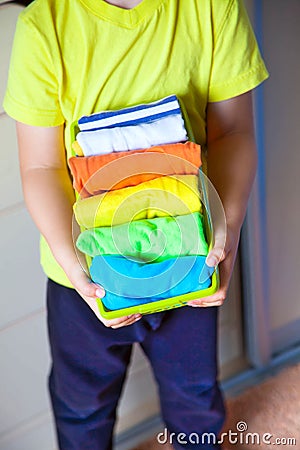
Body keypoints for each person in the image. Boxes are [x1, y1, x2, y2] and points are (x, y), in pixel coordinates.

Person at [3, 0, 268, 448]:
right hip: (84, 275)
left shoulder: (212, 8)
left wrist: (229, 228)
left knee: (195, 397)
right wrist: (76, 268)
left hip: (189, 258)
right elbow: (40, 168)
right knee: (82, 406)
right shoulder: (45, 25)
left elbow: (233, 133)